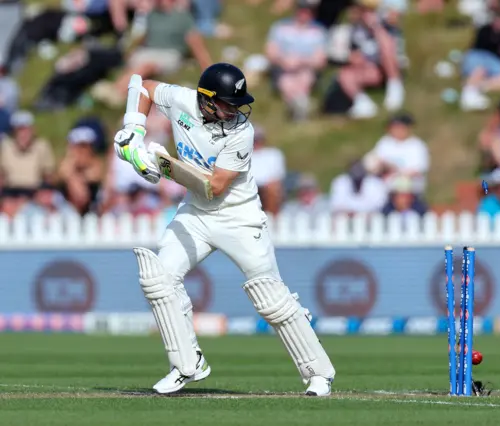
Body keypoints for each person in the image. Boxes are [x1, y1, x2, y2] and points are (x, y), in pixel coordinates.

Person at [112, 63, 335, 396]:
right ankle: (186, 365)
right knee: (158, 277)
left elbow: (213, 187)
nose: (235, 110)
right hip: (195, 216)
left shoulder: (241, 133)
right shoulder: (183, 100)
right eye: (227, 103)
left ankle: (318, 374)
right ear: (205, 99)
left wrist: (161, 165)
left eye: (237, 103)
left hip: (239, 218)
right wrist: (135, 129)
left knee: (271, 298)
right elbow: (144, 86)